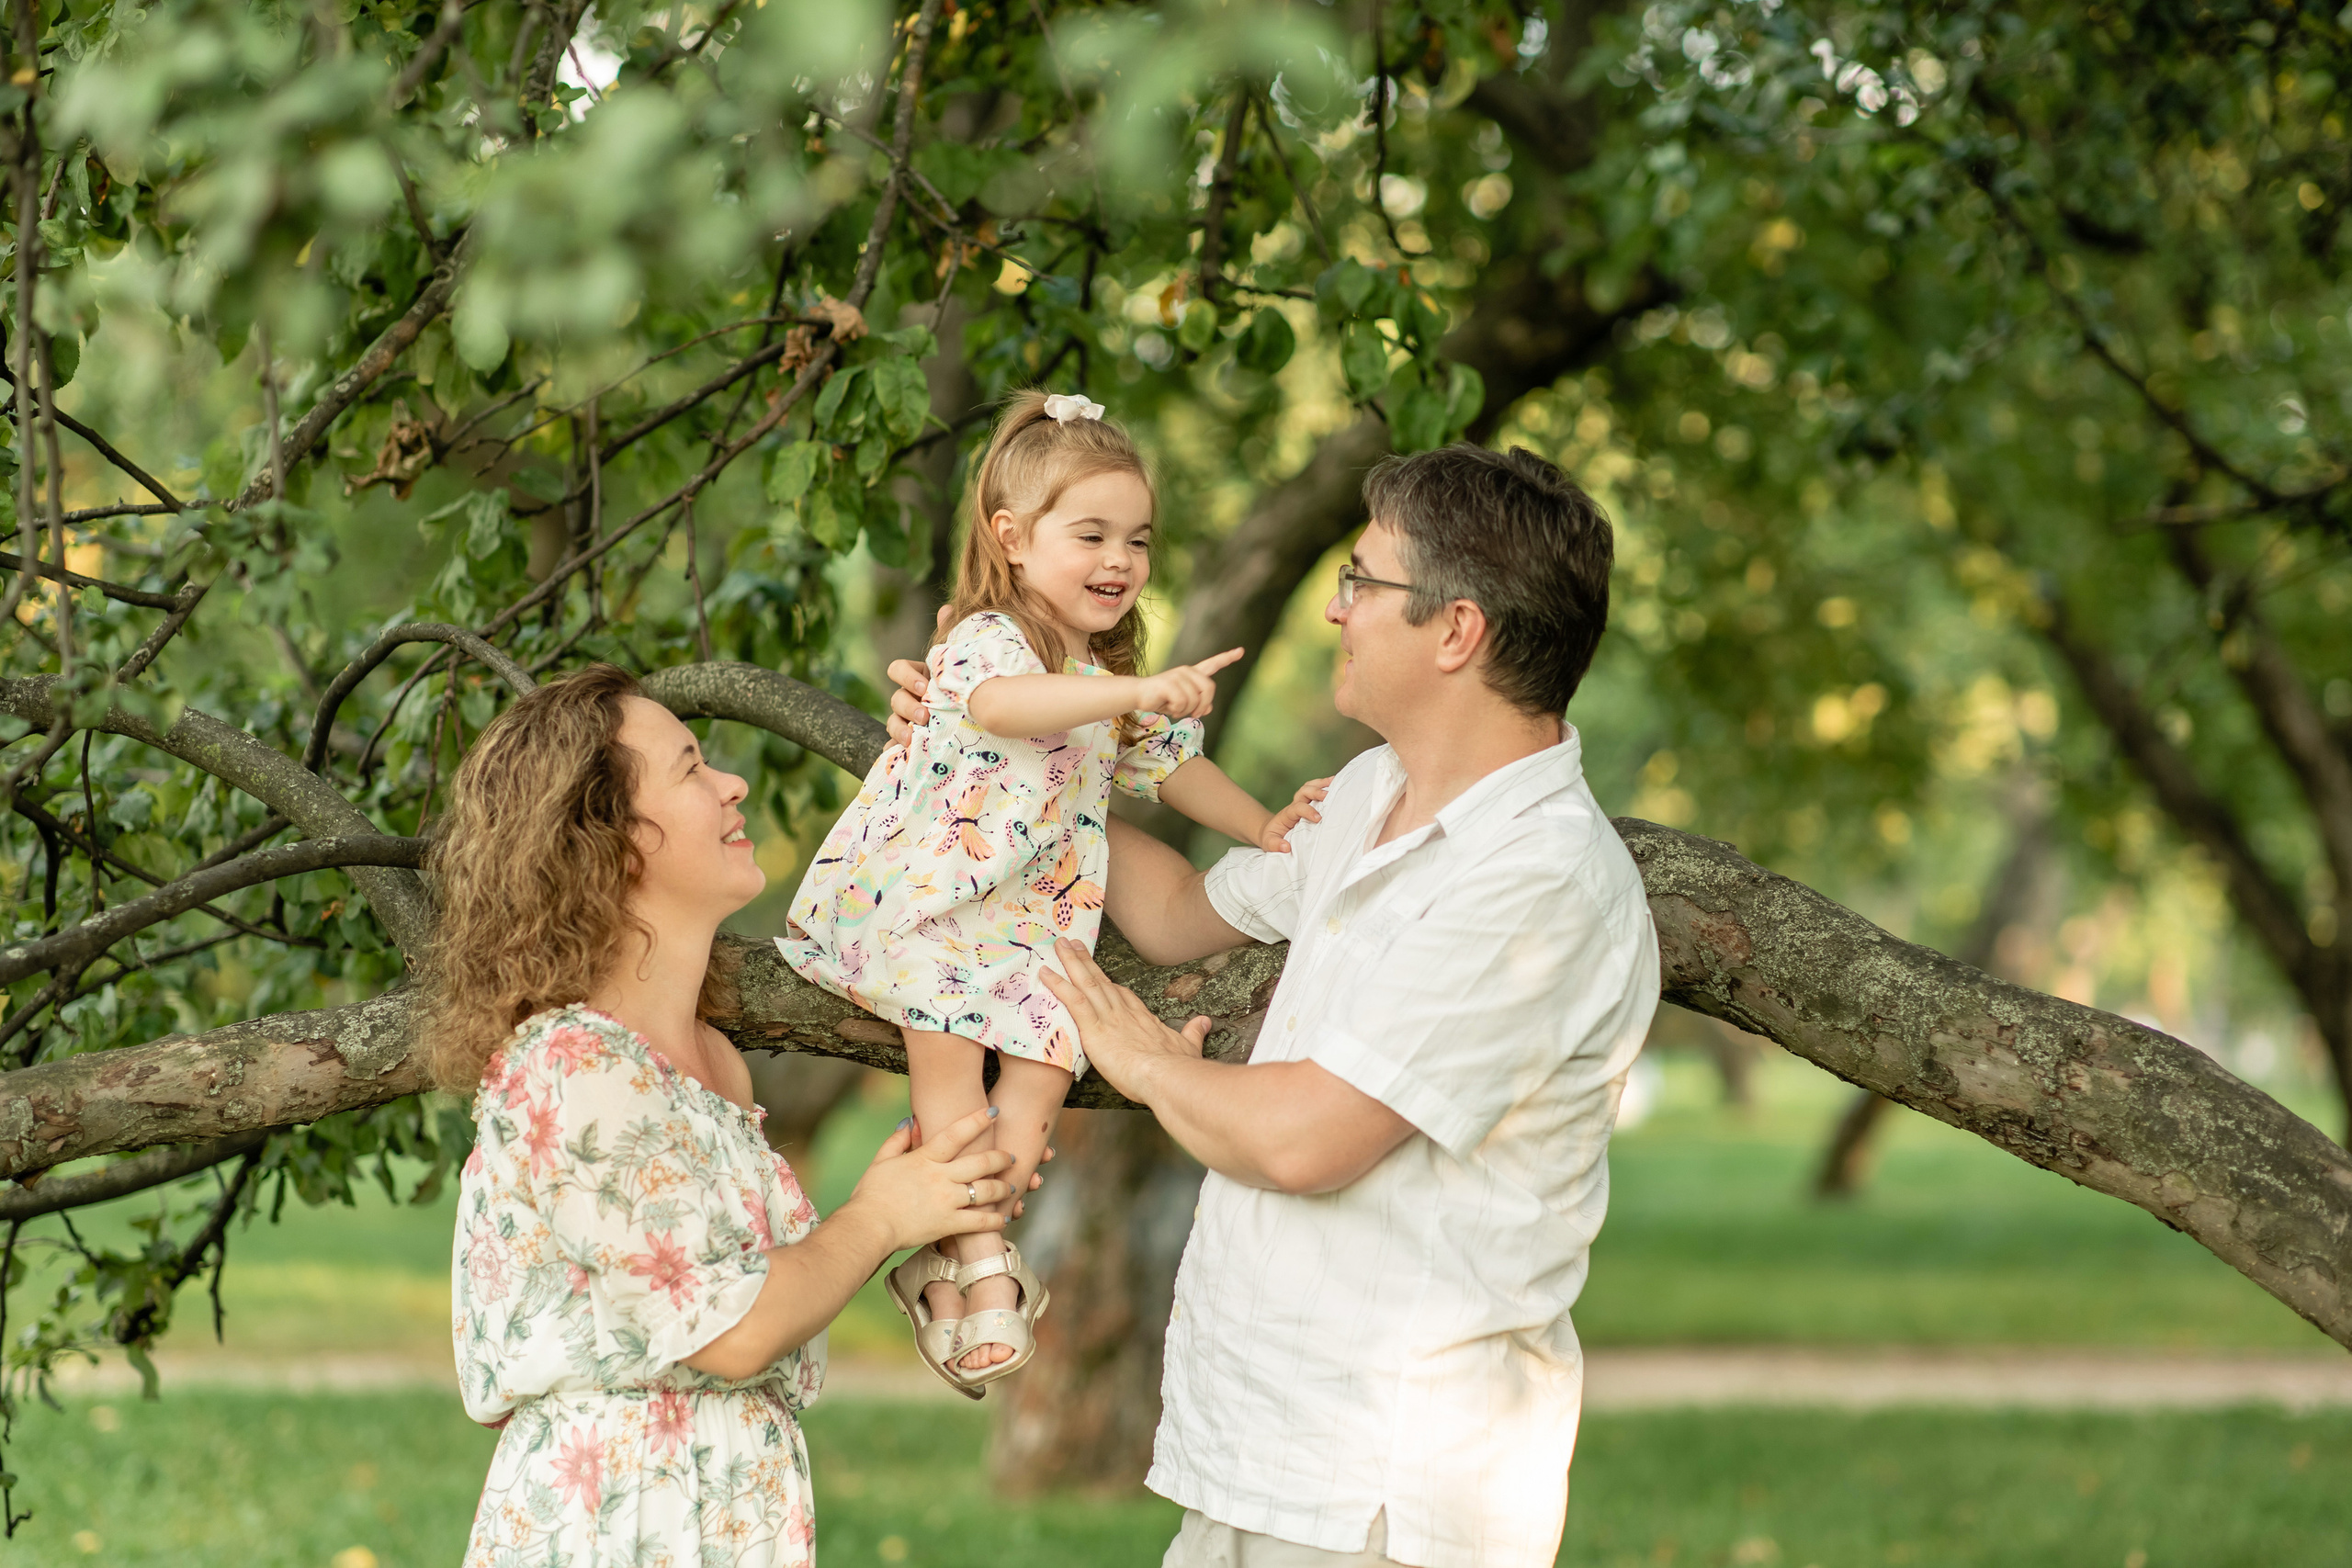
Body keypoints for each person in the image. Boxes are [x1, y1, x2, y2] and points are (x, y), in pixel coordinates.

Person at [887, 443, 1657, 1568]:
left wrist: (1149, 1064)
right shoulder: (1371, 793)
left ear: (1456, 630)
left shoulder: (1535, 879)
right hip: (1260, 1460)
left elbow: (1305, 1140)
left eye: (1361, 582)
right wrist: (986, 762)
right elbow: (1180, 911)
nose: (1335, 610)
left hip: (1384, 1496)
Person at [777, 388, 1325, 1394]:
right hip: (934, 907)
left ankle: (947, 1264)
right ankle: (983, 1271)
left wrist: (1262, 826)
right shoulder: (990, 638)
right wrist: (1133, 691)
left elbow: (1172, 766)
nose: (1121, 559)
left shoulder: (1102, 671)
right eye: (1092, 535)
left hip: (1033, 925)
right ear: (1013, 539)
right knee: (952, 1083)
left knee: (1036, 1090)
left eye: (1138, 540)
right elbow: (1002, 707)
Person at [427, 663, 1024, 1568]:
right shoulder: (570, 1066)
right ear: (611, 840)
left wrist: (924, 1198)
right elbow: (730, 1330)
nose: (733, 783)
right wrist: (878, 1217)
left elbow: (745, 1289)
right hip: (621, 1524)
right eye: (691, 768)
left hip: (728, 1514)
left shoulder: (712, 1061)